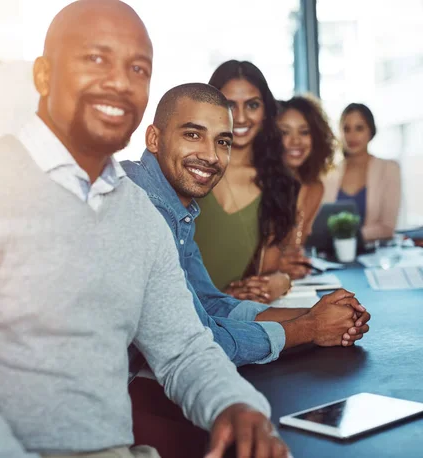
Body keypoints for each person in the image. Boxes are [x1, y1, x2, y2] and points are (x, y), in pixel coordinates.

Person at [0, 2, 289, 458]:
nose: (121, 82)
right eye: (96, 59)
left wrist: (236, 406)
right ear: (44, 75)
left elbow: (184, 348)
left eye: (138, 68)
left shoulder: (137, 214)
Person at [122, 83, 370, 458]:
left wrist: (319, 316)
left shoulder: (176, 209)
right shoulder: (142, 209)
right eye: (193, 135)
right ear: (154, 138)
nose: (210, 155)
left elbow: (210, 302)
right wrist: (310, 328)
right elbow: (202, 337)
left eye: (222, 141)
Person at [194, 60, 297, 303]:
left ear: (266, 111)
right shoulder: (188, 169)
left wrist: (281, 281)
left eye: (252, 105)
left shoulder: (280, 184)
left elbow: (266, 273)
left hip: (233, 319)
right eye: (229, 104)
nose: (240, 117)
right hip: (177, 313)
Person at [277, 95, 336, 279]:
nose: (296, 141)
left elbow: (295, 250)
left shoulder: (315, 188)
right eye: (285, 133)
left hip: (291, 283)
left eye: (304, 132)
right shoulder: (257, 185)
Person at [322, 103, 401, 241]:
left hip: (374, 256)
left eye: (359, 128)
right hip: (331, 257)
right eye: (347, 129)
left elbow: (388, 227)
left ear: (370, 131)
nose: (352, 136)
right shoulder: (328, 173)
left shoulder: (389, 169)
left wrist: (349, 237)